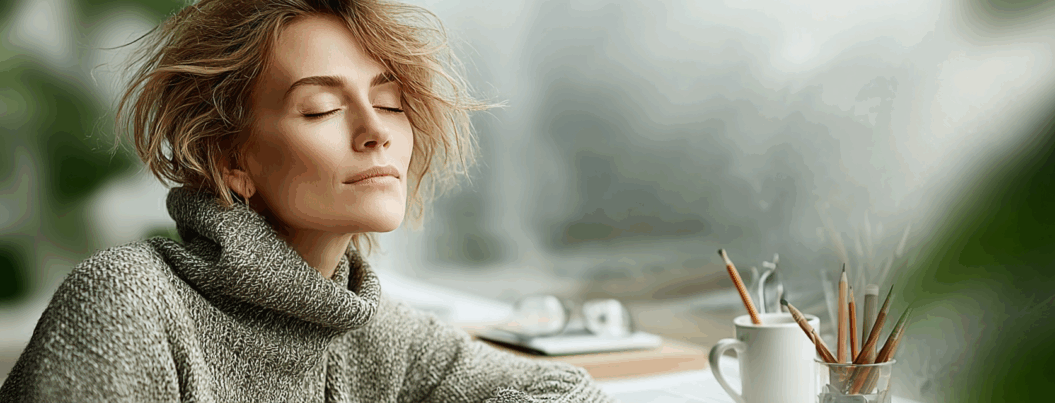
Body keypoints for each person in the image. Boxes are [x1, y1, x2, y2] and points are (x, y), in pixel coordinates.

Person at [0, 0, 615, 401]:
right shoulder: (128, 301)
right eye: (320, 107)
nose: (376, 129)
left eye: (392, 103)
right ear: (229, 161)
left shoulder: (374, 330)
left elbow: (573, 391)